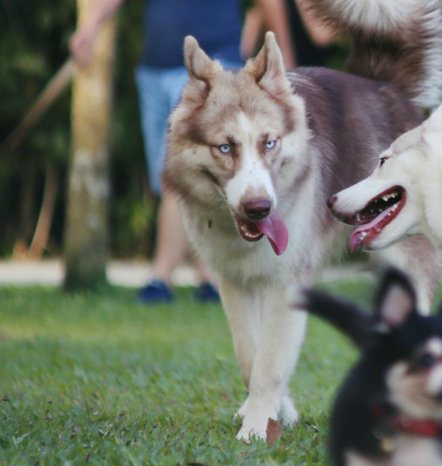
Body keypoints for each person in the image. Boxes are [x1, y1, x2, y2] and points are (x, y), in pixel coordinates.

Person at [70, 0, 294, 303]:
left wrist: (285, 57)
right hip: (154, 67)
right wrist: (91, 25)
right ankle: (209, 277)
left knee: (181, 176)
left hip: (211, 68)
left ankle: (163, 276)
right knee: (174, 179)